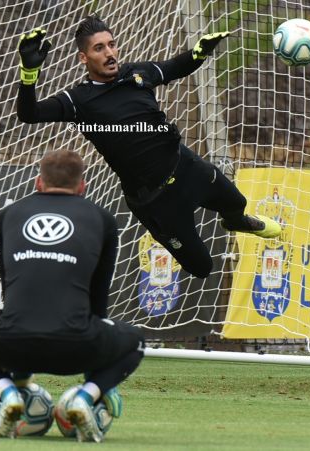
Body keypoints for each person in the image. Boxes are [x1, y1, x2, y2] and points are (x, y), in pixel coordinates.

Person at [16, 15, 282, 279]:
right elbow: (30, 113)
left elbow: (174, 67)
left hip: (186, 167)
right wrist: (29, 76)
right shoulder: (77, 100)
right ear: (83, 58)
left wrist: (198, 54)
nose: (110, 53)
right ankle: (163, 232)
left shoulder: (136, 74)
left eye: (111, 44)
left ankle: (236, 222)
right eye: (99, 48)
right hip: (154, 199)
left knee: (237, 202)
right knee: (202, 268)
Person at [0, 150, 144, 442]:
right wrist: (97, 373)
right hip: (76, 348)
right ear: (82, 186)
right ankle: (86, 397)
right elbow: (99, 300)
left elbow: (8, 285)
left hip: (11, 344)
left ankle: (9, 393)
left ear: (38, 182)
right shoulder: (103, 219)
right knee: (135, 341)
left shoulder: (9, 215)